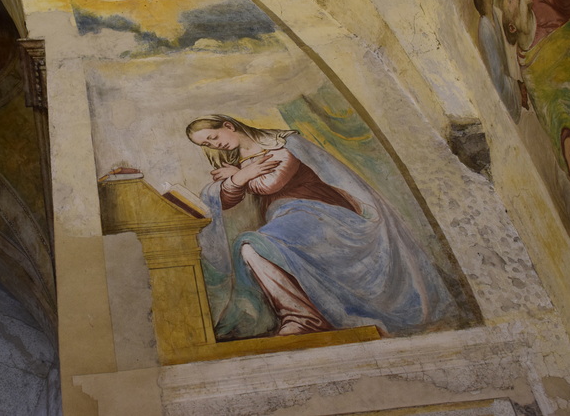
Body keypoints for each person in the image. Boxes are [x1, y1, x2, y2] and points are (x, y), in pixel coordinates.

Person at [187, 115, 458, 339]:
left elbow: (268, 185)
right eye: (205, 144)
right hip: (287, 218)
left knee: (251, 246)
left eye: (212, 137)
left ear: (227, 125)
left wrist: (238, 177)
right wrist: (238, 177)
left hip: (321, 212)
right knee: (250, 248)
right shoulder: (236, 161)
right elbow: (225, 198)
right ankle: (300, 316)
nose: (215, 144)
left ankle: (302, 317)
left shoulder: (282, 143)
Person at [473, 0, 527, 120]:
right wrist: (518, 90)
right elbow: (498, 83)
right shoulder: (485, 28)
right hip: (513, 106)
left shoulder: (496, 15)